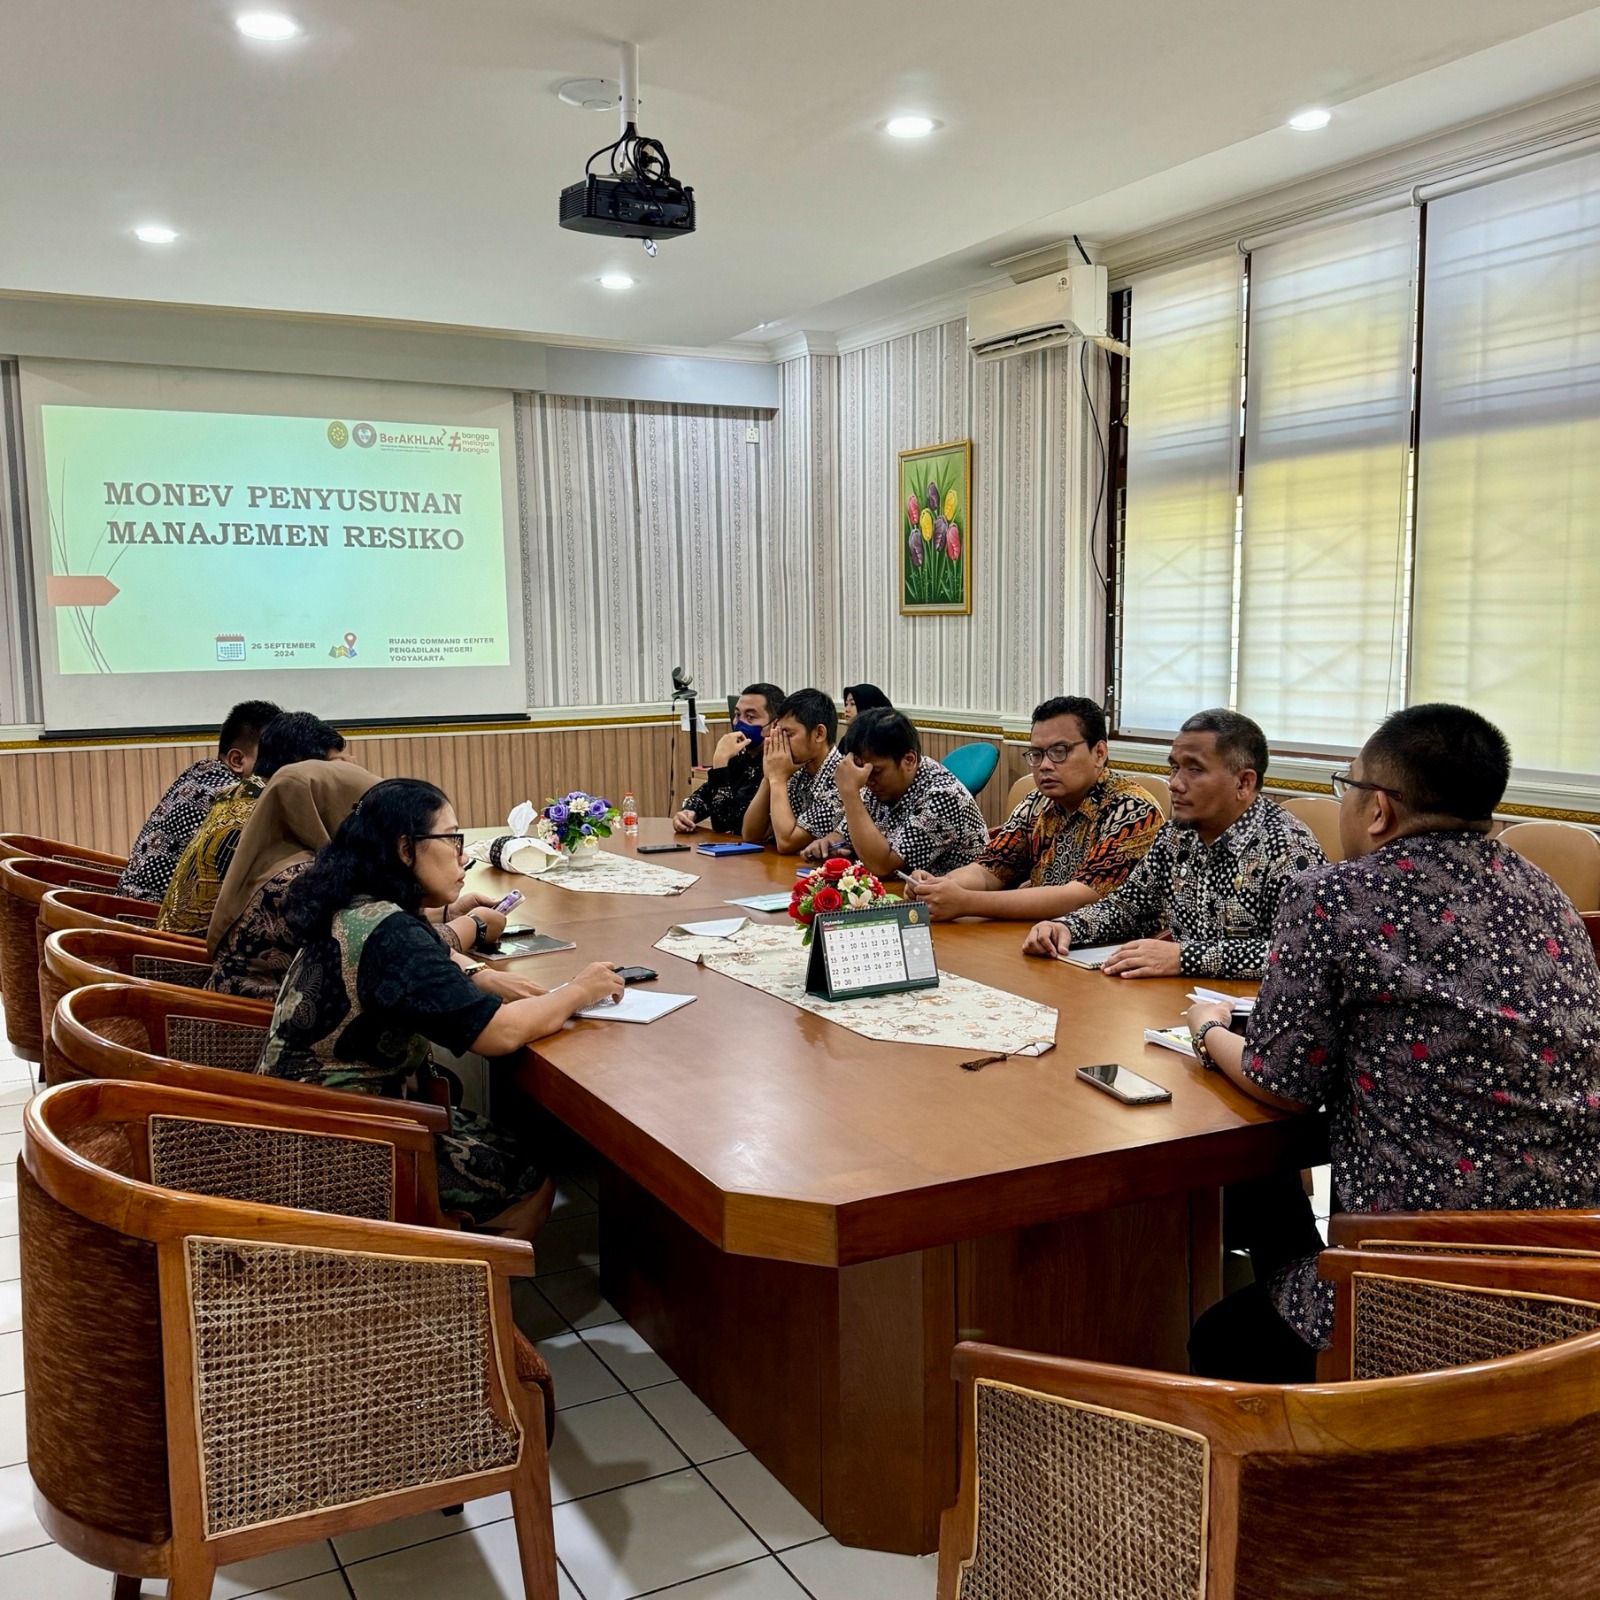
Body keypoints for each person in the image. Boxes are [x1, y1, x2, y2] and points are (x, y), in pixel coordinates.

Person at [1183, 704, 1600, 1382]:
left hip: (1413, 1290)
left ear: (1377, 810)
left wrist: (1205, 1030)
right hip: (1568, 1283)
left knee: (1225, 1327)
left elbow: (1281, 1085)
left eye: (1345, 788)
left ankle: (1323, 1443)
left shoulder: (1332, 895)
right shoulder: (1544, 892)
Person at [259, 777, 625, 1238]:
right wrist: (579, 989)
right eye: (451, 839)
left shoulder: (359, 903)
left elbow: (428, 951)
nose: (462, 855)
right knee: (529, 1185)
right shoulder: (392, 933)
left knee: (504, 1138)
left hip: (299, 1118)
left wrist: (475, 972)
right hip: (346, 1143)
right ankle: (458, 1297)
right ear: (406, 849)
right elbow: (498, 1035)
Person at [1022, 709, 1323, 979]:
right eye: (1174, 768)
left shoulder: (1287, 848)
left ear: (1243, 783)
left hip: (1253, 1017)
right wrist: (1065, 927)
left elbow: (1301, 954)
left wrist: (1185, 957)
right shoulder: (1176, 835)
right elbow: (1128, 907)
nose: (1175, 783)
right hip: (1180, 1002)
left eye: (1194, 770)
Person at [907, 696, 1163, 921]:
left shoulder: (1133, 811)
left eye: (1059, 751)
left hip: (1112, 952)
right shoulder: (1036, 803)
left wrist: (965, 902)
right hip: (1039, 935)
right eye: (1037, 754)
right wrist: (938, 886)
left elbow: (1081, 897)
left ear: (1099, 753)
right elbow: (989, 870)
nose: (1045, 765)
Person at [157, 711, 347, 936]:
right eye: (332, 770)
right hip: (195, 958)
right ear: (305, 770)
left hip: (174, 946)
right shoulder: (267, 815)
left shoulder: (239, 793)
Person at [206, 760, 377, 999]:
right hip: (256, 1023)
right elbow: (369, 945)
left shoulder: (271, 856)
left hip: (226, 1008)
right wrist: (448, 928)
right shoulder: (301, 878)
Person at [118, 700, 281, 901]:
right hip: (151, 918)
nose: (281, 769)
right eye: (274, 759)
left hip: (130, 903)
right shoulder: (231, 796)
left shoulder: (203, 768)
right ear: (237, 760)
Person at [814, 708, 988, 877]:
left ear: (909, 760)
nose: (868, 781)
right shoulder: (880, 784)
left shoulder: (943, 796)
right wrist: (830, 843)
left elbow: (884, 867)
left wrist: (850, 794)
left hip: (952, 900)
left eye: (876, 772)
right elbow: (844, 833)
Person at [740, 689, 846, 854]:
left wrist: (777, 779)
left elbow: (787, 842)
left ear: (819, 734)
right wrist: (767, 778)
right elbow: (751, 836)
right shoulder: (797, 771)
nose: (779, 742)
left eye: (788, 734)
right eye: (778, 734)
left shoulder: (841, 778)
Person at [673, 682, 784, 834]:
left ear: (775, 724)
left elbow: (724, 821)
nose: (740, 723)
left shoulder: (776, 764)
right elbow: (707, 793)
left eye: (750, 717)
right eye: (738, 715)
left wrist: (720, 762)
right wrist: (689, 813)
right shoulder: (742, 759)